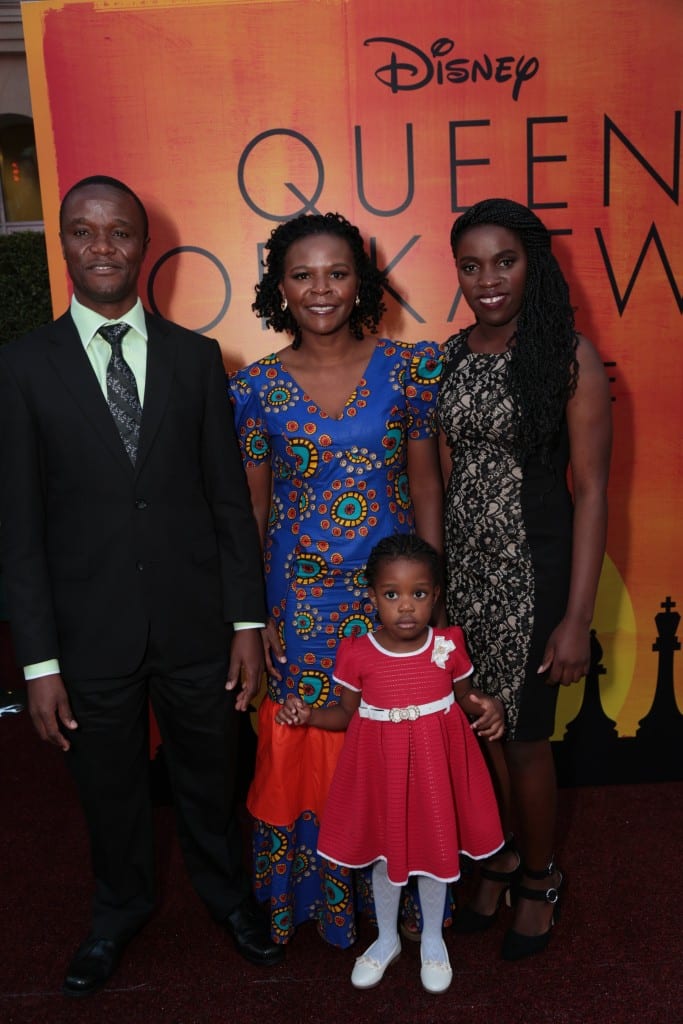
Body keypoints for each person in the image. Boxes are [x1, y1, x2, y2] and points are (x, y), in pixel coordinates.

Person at [0, 175, 283, 999]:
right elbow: (18, 532)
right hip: (88, 635)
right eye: (84, 231)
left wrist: (243, 622)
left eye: (118, 231)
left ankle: (229, 901)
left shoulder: (197, 359)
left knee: (210, 775)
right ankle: (117, 911)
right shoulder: (19, 369)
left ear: (142, 244)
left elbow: (231, 504)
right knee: (109, 788)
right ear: (63, 243)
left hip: (199, 625)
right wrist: (40, 666)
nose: (102, 247)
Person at [229, 212, 444, 948]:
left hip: (393, 603)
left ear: (362, 282)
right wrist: (252, 619)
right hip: (300, 603)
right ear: (278, 288)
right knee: (308, 741)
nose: (320, 289)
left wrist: (432, 602)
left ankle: (402, 902)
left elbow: (425, 490)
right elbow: (253, 510)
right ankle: (318, 901)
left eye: (336, 272)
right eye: (301, 274)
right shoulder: (254, 388)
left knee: (393, 738)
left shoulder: (409, 369)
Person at [437, 197, 612, 960]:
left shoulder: (565, 356)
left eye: (502, 261)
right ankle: (499, 859)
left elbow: (593, 491)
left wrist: (576, 618)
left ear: (531, 262)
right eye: (470, 265)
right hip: (463, 576)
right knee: (472, 735)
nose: (487, 279)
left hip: (532, 571)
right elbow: (444, 478)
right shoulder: (450, 354)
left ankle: (539, 879)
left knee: (525, 738)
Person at [276, 534, 504, 993]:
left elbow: (466, 699)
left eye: (418, 594)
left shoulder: (448, 645)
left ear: (435, 596)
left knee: (435, 852)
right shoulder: (358, 652)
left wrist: (490, 705)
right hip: (383, 772)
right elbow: (343, 714)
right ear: (373, 596)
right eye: (392, 594)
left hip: (435, 773)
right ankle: (386, 939)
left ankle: (433, 940)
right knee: (386, 857)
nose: (405, 607)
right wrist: (307, 716)